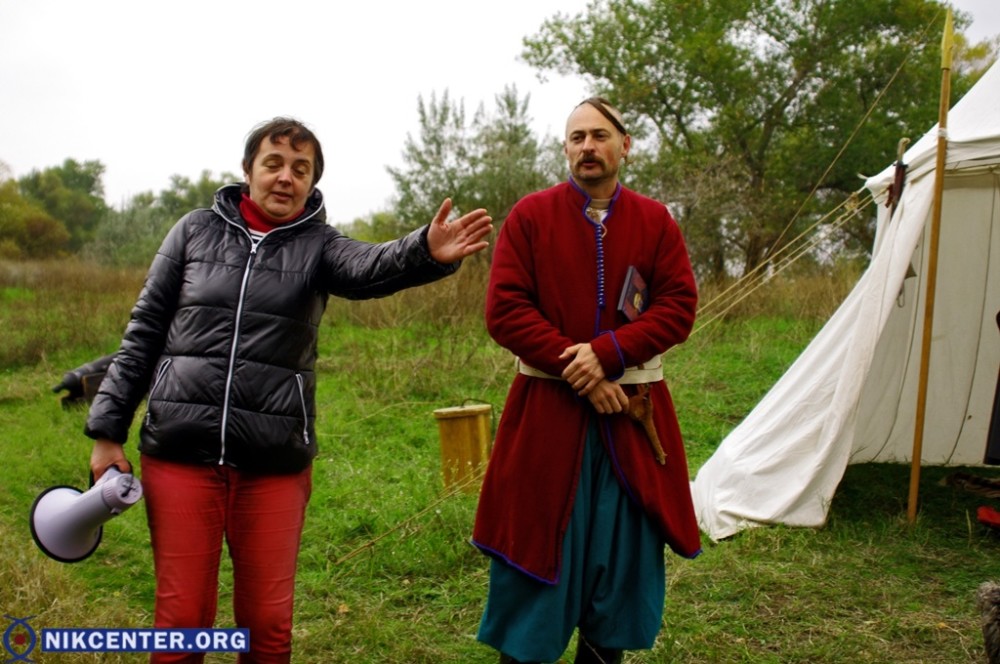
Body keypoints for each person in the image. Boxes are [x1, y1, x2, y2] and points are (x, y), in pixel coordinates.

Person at [84, 116, 492, 663]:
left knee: (268, 626)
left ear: (312, 182)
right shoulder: (193, 231)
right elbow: (143, 333)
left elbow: (369, 266)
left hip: (273, 461)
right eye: (273, 163)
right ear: (247, 170)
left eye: (301, 169)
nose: (285, 177)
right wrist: (107, 431)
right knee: (182, 622)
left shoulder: (320, 245)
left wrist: (423, 249)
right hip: (180, 452)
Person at [471, 97, 702, 664]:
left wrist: (607, 354)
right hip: (547, 420)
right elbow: (506, 310)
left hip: (630, 422)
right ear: (566, 149)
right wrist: (581, 371)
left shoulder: (655, 221)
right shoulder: (531, 216)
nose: (588, 147)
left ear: (625, 145)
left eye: (599, 135)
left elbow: (677, 307)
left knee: (617, 567)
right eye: (577, 138)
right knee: (536, 561)